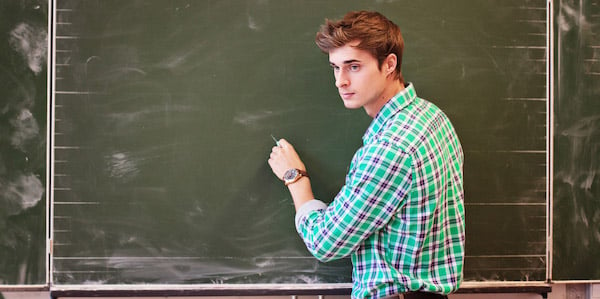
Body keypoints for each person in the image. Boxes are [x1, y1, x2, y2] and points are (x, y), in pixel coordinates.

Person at [268, 10, 465, 299]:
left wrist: (295, 178)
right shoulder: (432, 116)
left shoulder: (389, 148)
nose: (340, 81)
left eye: (354, 67)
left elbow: (325, 242)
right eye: (335, 67)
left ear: (389, 64)